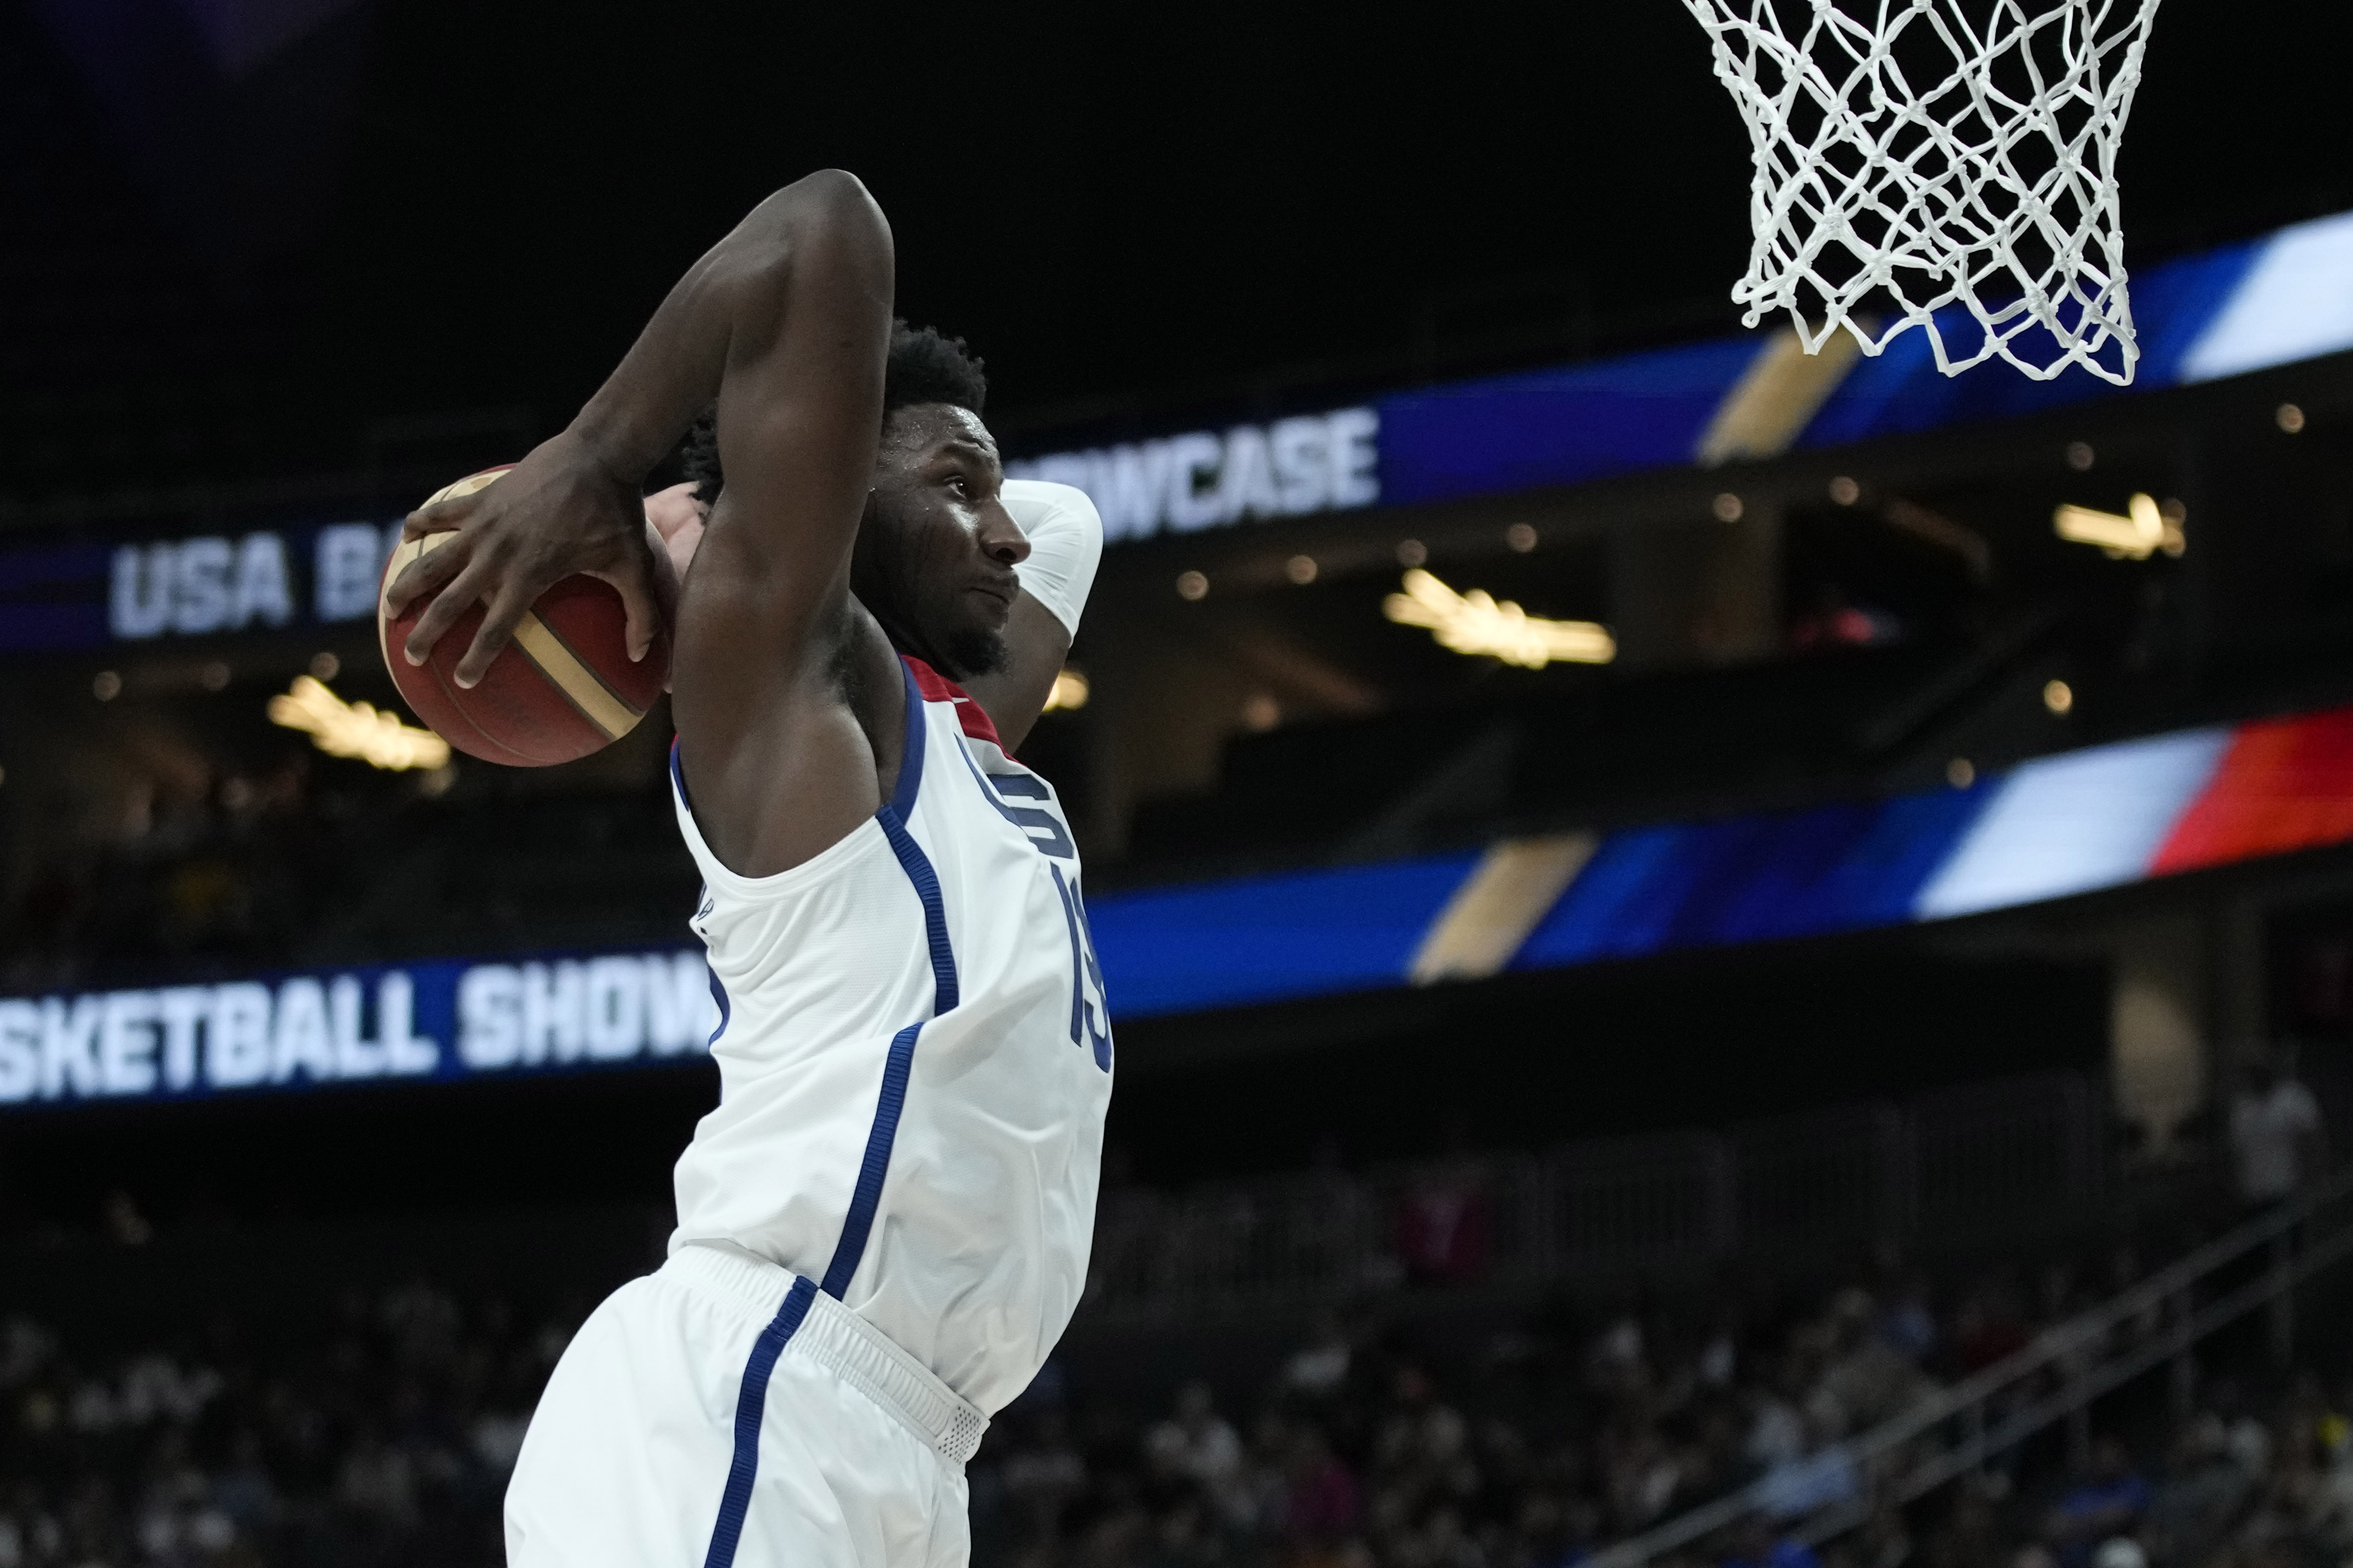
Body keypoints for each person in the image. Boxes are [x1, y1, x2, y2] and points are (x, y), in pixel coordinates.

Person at [384, 170, 1112, 1568]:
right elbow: (823, 227)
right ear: (837, 504)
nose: (1010, 533)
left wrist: (719, 500)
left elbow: (1068, 523)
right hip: (761, 1388)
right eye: (963, 490)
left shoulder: (960, 731)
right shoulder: (801, 694)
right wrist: (608, 463)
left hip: (902, 1441)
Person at [2230, 1051, 2326, 1213]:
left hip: (2288, 1188)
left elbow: (2313, 1141)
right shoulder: (2242, 1110)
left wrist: (2316, 1179)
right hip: (2254, 1193)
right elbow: (2237, 1153)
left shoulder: (2292, 1099)